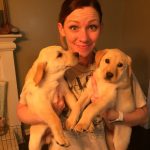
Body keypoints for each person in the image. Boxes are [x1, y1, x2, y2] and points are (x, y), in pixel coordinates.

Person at [17, 0, 148, 149]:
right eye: (74, 27)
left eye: (92, 26)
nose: (84, 37)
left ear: (101, 28)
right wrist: (50, 115)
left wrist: (116, 116)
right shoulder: (50, 62)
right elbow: (21, 111)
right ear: (61, 29)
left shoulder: (116, 64)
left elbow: (143, 115)